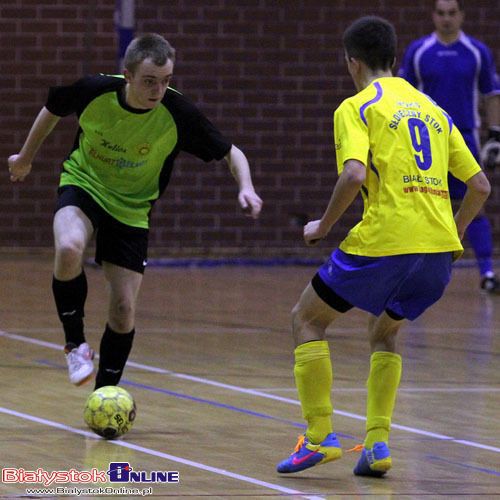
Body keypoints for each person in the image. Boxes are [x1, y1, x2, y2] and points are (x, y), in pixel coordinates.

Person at [276, 16, 490, 477]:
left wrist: (323, 226)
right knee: (384, 332)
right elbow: (480, 186)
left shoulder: (357, 106)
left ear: (352, 62)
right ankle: (376, 445)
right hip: (437, 253)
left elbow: (353, 174)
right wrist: (452, 235)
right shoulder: (434, 110)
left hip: (385, 241)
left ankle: (318, 437)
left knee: (307, 319)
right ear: (395, 58)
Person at [8, 33, 262, 389]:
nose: (157, 90)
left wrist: (246, 187)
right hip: (85, 184)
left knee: (123, 310)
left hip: (132, 209)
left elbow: (232, 153)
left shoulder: (178, 113)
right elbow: (53, 107)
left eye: (165, 81)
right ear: (127, 75)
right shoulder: (94, 90)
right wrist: (25, 158)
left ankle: (106, 393)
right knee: (68, 248)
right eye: (149, 81)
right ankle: (75, 344)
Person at [399, 0, 500, 293]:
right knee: (420, 205)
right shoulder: (418, 52)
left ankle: (488, 273)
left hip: (465, 137)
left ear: (461, 16)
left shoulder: (477, 52)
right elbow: (403, 94)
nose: (446, 19)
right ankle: (413, 273)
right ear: (433, 16)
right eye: (441, 13)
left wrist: (495, 135)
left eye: (452, 13)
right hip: (426, 141)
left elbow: (491, 93)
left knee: (475, 201)